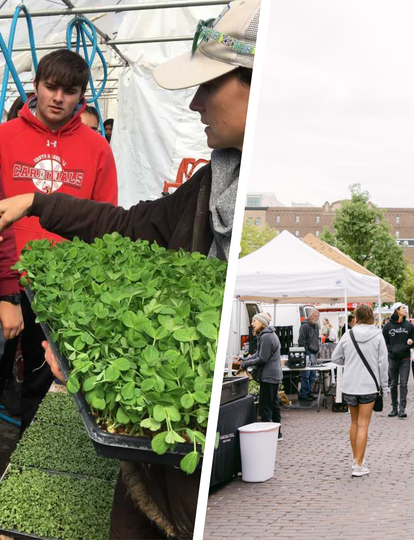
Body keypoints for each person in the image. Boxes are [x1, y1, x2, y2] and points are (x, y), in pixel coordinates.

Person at [0, 2, 260, 536]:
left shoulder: (99, 148)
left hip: (184, 462)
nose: (195, 103)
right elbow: (129, 224)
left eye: (208, 85)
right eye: (49, 86)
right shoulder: (212, 182)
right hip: (153, 464)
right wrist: (38, 203)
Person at [0, 49, 118, 436]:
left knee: (42, 377)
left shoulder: (98, 148)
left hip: (60, 286)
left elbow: (104, 221)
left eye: (69, 91)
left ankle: (25, 454)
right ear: (35, 86)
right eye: (51, 87)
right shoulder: (4, 137)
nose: (57, 98)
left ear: (81, 96)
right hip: (4, 274)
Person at [330, 304, 388, 477]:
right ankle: (358, 465)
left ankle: (356, 459)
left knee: (354, 423)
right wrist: (384, 387)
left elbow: (335, 358)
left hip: (350, 385)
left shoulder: (348, 334)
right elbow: (383, 364)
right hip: (369, 385)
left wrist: (350, 362)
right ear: (371, 316)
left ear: (356, 316)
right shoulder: (378, 335)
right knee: (363, 424)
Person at [241, 313, 282, 438]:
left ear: (262, 323)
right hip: (273, 374)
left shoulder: (266, 336)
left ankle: (267, 435)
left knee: (265, 406)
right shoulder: (269, 334)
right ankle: (277, 433)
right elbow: (259, 353)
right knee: (273, 404)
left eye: (254, 321)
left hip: (268, 375)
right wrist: (245, 359)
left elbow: (262, 358)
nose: (252, 324)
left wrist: (245, 364)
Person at [382, 302, 414, 418]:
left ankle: (402, 409)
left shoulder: (409, 325)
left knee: (404, 384)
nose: (405, 310)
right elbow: (384, 342)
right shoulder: (387, 326)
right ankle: (394, 408)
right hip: (393, 358)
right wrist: (391, 350)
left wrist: (407, 345)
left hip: (405, 358)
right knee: (393, 384)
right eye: (403, 308)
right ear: (397, 310)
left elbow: (413, 342)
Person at [297, 308, 321, 402]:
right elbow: (301, 341)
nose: (317, 318)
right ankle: (304, 393)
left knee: (312, 375)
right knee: (306, 374)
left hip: (314, 352)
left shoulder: (315, 326)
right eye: (315, 316)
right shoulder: (305, 326)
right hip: (308, 353)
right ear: (310, 316)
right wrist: (306, 352)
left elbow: (316, 339)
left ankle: (308, 392)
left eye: (318, 316)